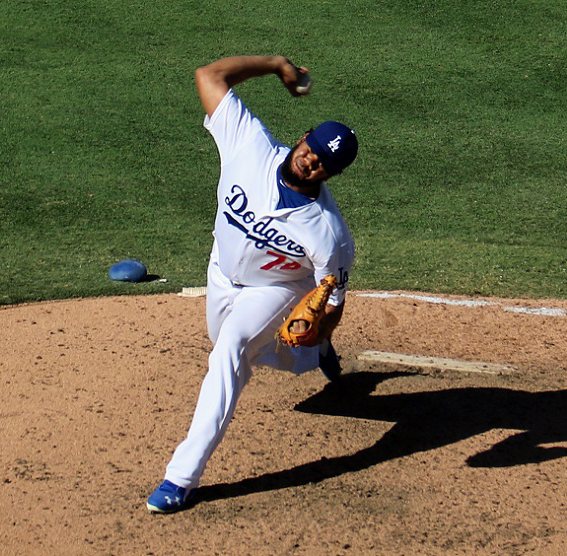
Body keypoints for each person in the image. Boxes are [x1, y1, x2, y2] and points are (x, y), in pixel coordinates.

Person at [147, 55, 358, 513]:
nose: (311, 159)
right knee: (233, 342)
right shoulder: (251, 144)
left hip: (276, 289)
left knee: (230, 352)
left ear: (332, 174)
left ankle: (180, 477)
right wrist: (274, 64)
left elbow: (335, 299)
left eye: (324, 162)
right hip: (221, 273)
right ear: (303, 135)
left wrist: (323, 326)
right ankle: (312, 355)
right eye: (312, 146)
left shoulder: (329, 235)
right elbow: (208, 75)